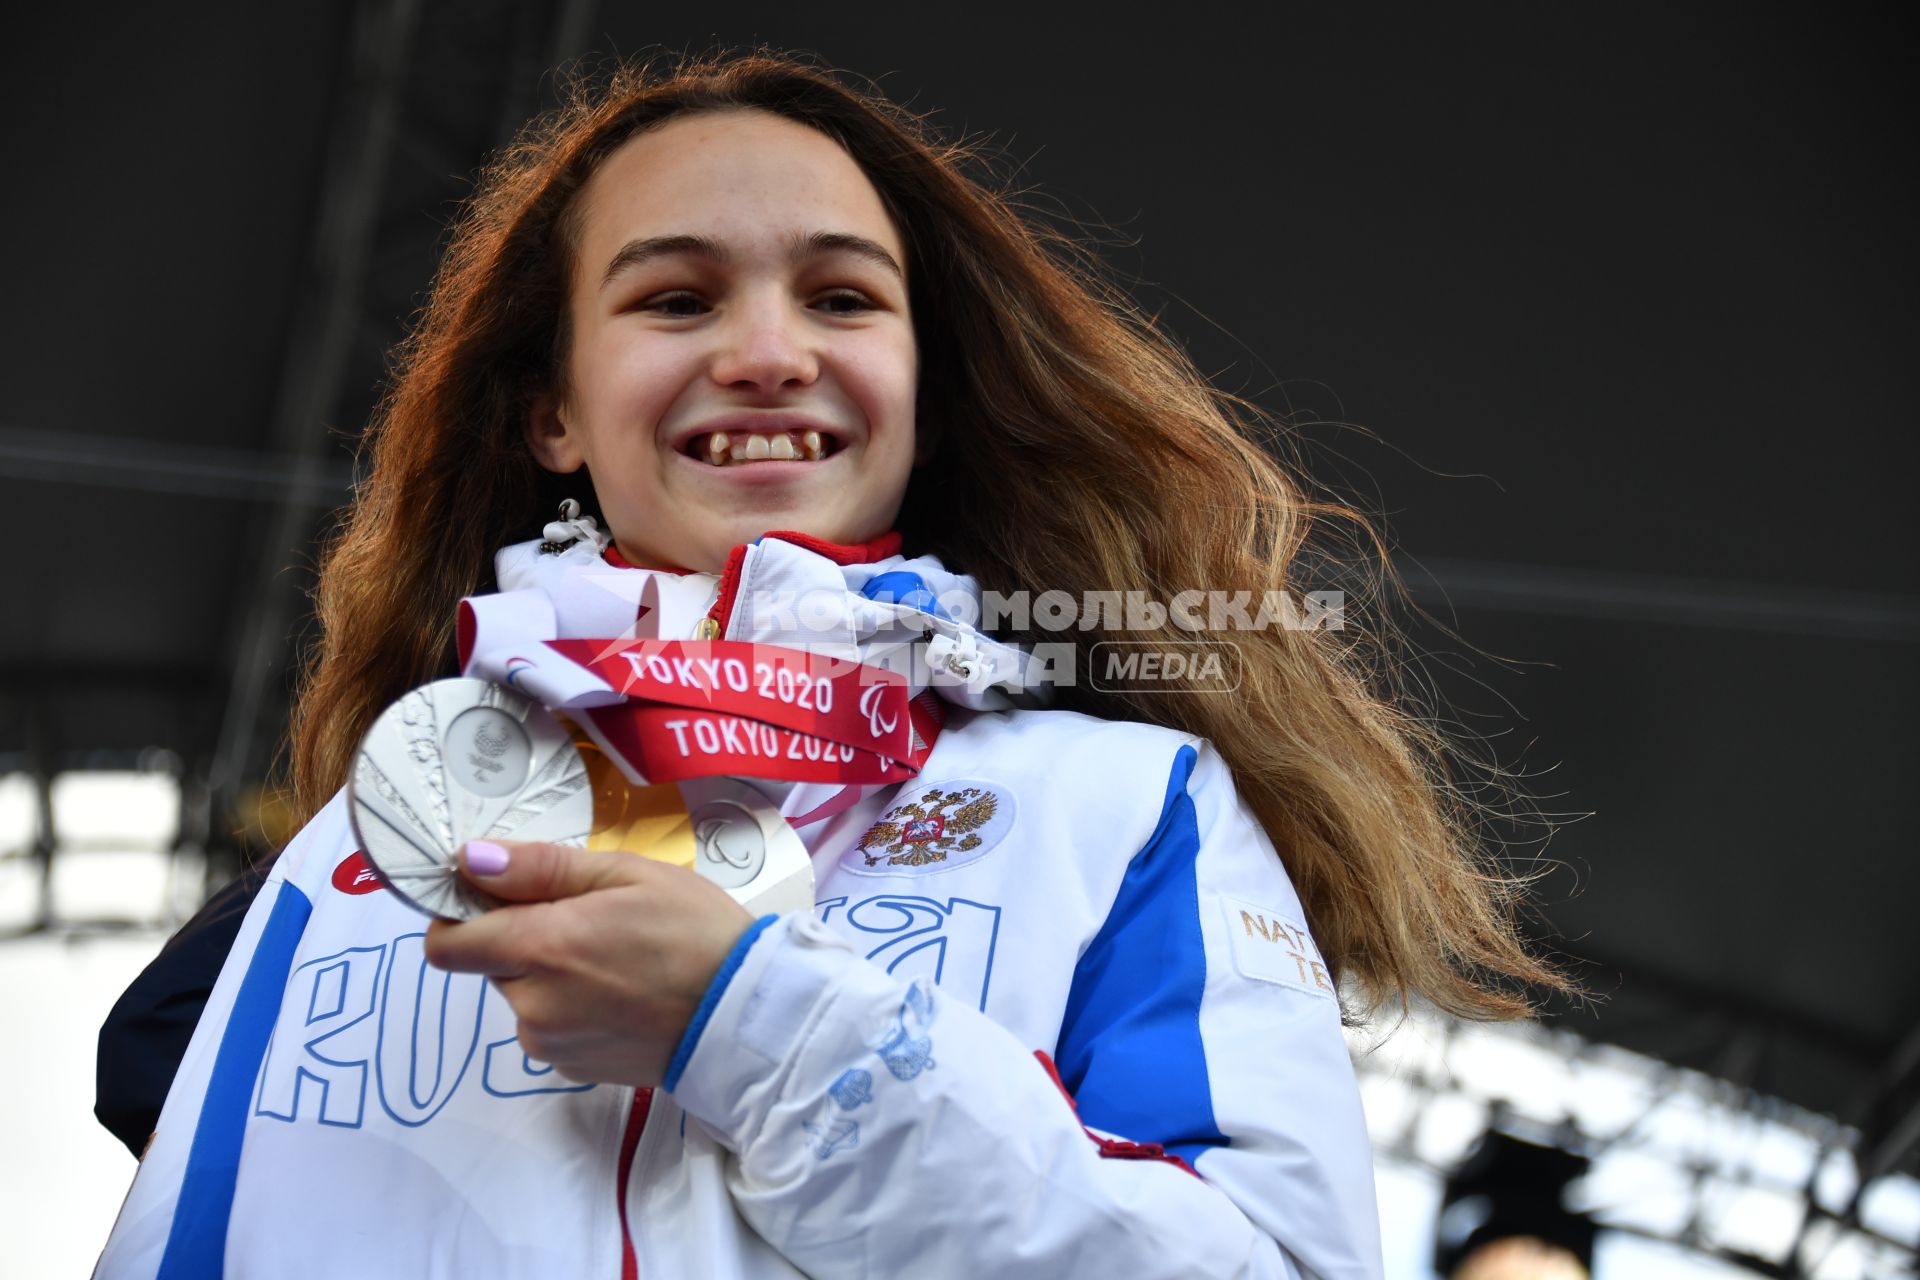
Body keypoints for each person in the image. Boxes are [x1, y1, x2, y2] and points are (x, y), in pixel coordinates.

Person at [96, 50, 1563, 1279]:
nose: (766, 352)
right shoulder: (357, 857)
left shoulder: (1121, 810)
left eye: (843, 298)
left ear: (924, 392)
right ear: (553, 408)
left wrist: (761, 1033)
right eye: (675, 299)